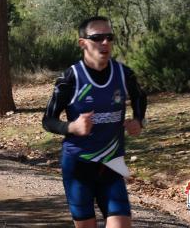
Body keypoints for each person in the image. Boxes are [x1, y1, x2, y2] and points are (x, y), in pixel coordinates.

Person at [42, 16, 147, 228]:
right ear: (83, 43)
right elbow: (48, 120)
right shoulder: (70, 78)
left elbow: (139, 97)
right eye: (97, 37)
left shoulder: (123, 74)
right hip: (78, 166)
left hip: (112, 164)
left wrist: (138, 120)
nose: (105, 42)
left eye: (109, 37)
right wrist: (71, 127)